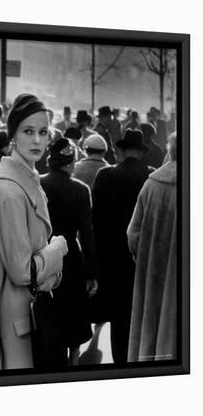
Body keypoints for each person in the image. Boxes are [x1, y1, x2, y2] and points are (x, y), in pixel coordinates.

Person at [0, 93, 68, 369]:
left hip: (30, 314)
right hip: (18, 319)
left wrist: (49, 276)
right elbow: (22, 271)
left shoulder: (27, 179)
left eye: (42, 132)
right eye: (28, 131)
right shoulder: (10, 190)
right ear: (13, 136)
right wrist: (57, 251)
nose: (36, 140)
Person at [92, 128, 154, 363]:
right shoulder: (151, 176)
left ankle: (119, 365)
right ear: (141, 151)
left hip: (112, 259)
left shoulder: (105, 176)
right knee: (140, 315)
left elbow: (94, 220)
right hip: (141, 259)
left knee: (118, 318)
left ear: (121, 150)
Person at [41, 138, 98, 365]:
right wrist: (93, 272)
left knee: (51, 312)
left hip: (44, 254)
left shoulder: (38, 184)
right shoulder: (80, 190)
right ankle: (73, 361)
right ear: (70, 163)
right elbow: (87, 232)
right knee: (73, 314)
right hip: (72, 258)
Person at [127, 133, 177, 362]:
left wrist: (145, 255)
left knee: (150, 330)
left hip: (152, 275)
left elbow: (133, 234)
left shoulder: (151, 184)